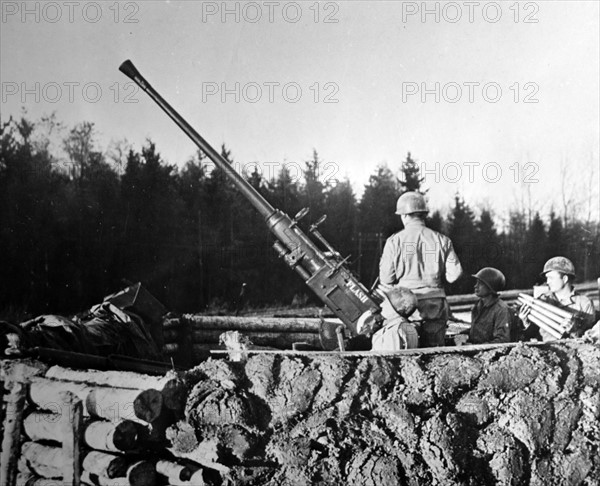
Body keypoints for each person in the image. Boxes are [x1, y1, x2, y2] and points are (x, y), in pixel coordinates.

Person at [379, 191, 463, 347]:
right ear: (424, 215)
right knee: (435, 355)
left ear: (404, 215)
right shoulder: (442, 240)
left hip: (405, 307)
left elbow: (386, 279)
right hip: (435, 306)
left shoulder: (394, 241)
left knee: (407, 353)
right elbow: (454, 275)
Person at [519, 256, 596, 340]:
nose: (547, 282)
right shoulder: (542, 300)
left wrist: (574, 331)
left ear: (565, 279)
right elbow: (532, 335)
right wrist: (526, 322)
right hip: (546, 350)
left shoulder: (584, 303)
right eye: (547, 278)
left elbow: (591, 338)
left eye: (551, 278)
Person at [467, 268, 513, 344]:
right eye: (476, 282)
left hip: (488, 352)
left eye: (480, 283)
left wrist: (477, 347)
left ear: (491, 287)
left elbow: (502, 340)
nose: (475, 286)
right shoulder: (478, 305)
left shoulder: (501, 310)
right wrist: (463, 335)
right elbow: (476, 330)